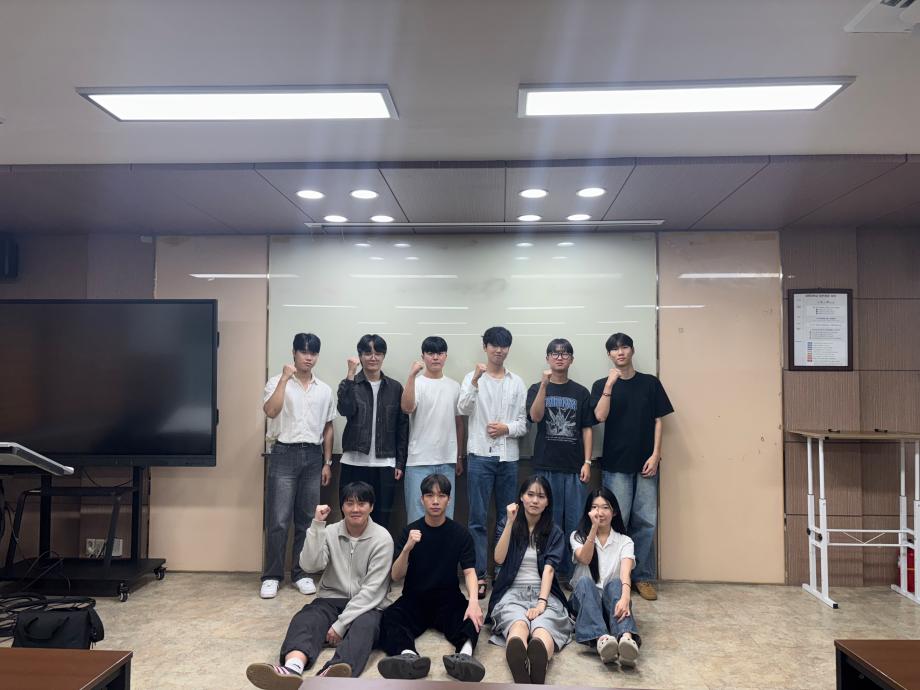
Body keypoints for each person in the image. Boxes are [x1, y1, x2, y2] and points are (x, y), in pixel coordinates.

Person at [246, 482, 394, 688]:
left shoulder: (382, 538)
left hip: (368, 606)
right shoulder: (331, 532)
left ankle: (333, 674)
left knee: (365, 626)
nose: (355, 509)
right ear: (342, 506)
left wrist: (341, 625)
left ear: (371, 507)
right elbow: (309, 565)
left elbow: (372, 591)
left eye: (361, 504)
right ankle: (292, 668)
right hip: (331, 599)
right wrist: (317, 526)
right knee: (306, 618)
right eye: (349, 503)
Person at [376, 473, 486, 683]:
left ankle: (464, 656)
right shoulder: (409, 532)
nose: (435, 501)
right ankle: (408, 656)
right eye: (430, 495)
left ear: (449, 500)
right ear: (422, 499)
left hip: (448, 599)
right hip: (415, 599)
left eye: (441, 495)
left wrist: (473, 602)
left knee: (472, 617)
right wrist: (407, 548)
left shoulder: (460, 534)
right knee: (389, 618)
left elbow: (469, 572)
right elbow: (396, 575)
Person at [590, 332, 673, 601]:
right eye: (615, 349)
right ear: (609, 355)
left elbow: (659, 420)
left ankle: (642, 576)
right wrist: (610, 385)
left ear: (632, 350)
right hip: (616, 464)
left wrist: (656, 454)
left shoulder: (650, 383)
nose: (620, 352)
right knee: (617, 520)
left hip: (646, 463)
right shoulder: (602, 384)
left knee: (645, 520)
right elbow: (599, 416)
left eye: (624, 347)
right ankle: (615, 575)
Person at [260, 332, 336, 599]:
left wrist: (327, 462)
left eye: (313, 353)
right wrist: (284, 379)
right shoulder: (276, 382)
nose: (308, 357)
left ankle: (301, 573)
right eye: (304, 352)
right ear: (294, 353)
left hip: (313, 456)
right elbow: (271, 411)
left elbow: (328, 427)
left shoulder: (324, 389)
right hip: (283, 452)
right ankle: (272, 575)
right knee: (279, 520)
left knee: (307, 519)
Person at [458, 326, 528, 599]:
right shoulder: (471, 378)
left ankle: (501, 571)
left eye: (504, 345)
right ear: (485, 347)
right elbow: (463, 409)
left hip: (508, 458)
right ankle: (478, 574)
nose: (499, 350)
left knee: (506, 517)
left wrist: (506, 428)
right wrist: (476, 380)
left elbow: (523, 424)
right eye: (494, 345)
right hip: (479, 456)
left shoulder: (516, 382)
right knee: (477, 519)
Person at [487, 475, 572, 685]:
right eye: (530, 494)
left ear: (548, 502)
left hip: (544, 593)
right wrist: (509, 522)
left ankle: (538, 657)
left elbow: (549, 570)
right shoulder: (507, 524)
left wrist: (541, 603)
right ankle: (519, 657)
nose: (535, 500)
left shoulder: (554, 532)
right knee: (518, 624)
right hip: (512, 593)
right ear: (521, 497)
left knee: (544, 627)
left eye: (541, 496)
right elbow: (498, 558)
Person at [526, 338, 595, 585]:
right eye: (554, 353)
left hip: (574, 467)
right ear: (547, 358)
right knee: (548, 521)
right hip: (545, 465)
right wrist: (544, 386)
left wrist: (587, 461)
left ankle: (570, 572)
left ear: (571, 359)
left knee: (575, 521)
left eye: (565, 354)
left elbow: (587, 428)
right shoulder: (536, 388)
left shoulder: (581, 392)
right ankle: (549, 570)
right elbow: (535, 417)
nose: (559, 357)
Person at [337, 334, 409, 531]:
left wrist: (400, 462)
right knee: (351, 520)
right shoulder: (350, 384)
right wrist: (350, 375)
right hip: (354, 462)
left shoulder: (395, 388)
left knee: (382, 521)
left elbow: (402, 427)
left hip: (385, 464)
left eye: (378, 353)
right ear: (360, 356)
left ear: (384, 356)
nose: (373, 357)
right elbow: (345, 409)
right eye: (368, 353)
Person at [569, 487, 641, 667]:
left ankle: (625, 639)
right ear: (588, 511)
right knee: (585, 581)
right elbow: (585, 559)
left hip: (611, 603)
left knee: (616, 584)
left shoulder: (625, 541)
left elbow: (625, 573)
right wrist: (593, 528)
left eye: (605, 507)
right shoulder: (577, 536)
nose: (599, 512)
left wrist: (625, 598)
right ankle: (603, 640)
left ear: (614, 512)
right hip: (584, 601)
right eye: (594, 507)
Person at [401, 335, 465, 524]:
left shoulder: (454, 386)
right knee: (416, 519)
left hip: (447, 461)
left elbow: (459, 423)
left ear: (445, 356)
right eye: (430, 353)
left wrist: (459, 457)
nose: (435, 357)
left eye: (440, 353)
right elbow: (406, 408)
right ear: (423, 356)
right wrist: (411, 376)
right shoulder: (416, 383)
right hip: (418, 461)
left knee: (446, 519)